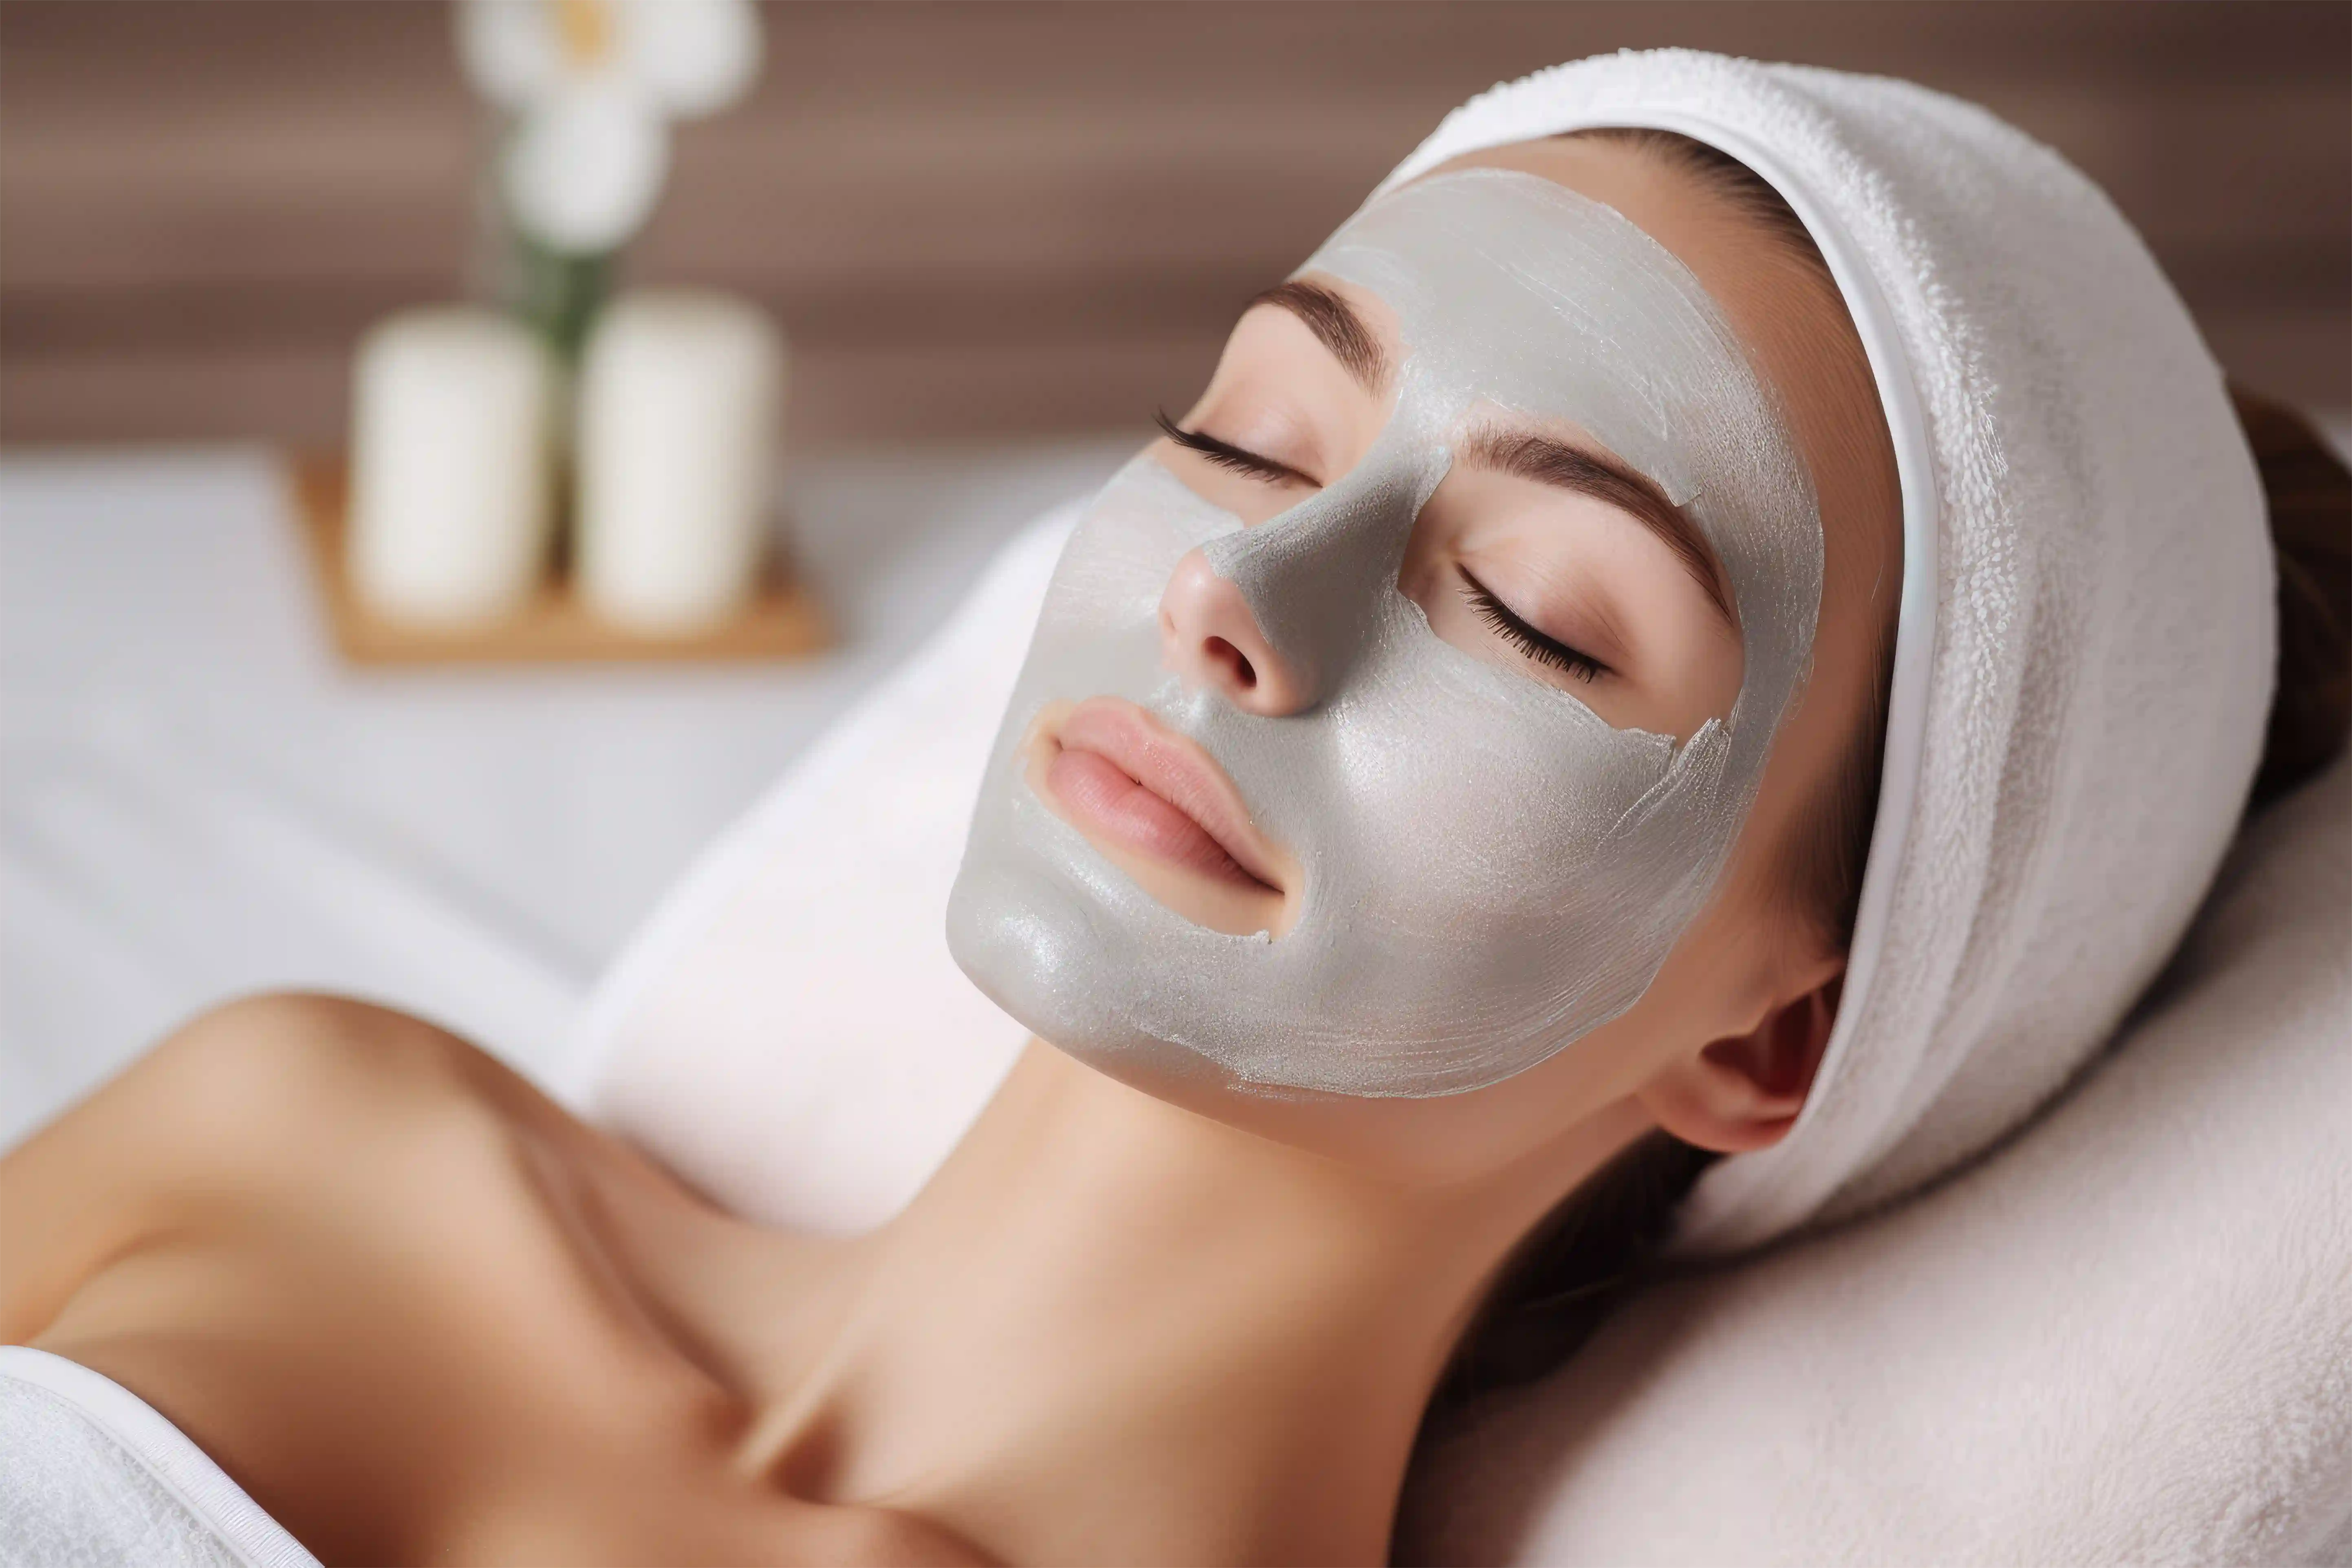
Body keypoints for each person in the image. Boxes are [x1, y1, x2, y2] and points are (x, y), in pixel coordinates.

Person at [4, 53, 2348, 1568]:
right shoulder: (303, 1118)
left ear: (1767, 1037)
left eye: (1534, 611)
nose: (1236, 593)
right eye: (1249, 432)